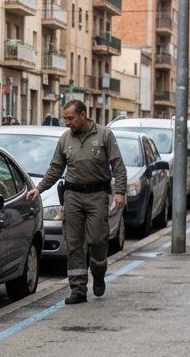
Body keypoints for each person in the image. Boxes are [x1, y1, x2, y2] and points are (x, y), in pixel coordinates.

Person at [24, 99, 127, 305]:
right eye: (65, 118)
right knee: (74, 244)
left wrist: (120, 192)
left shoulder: (104, 135)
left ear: (83, 115)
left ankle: (98, 273)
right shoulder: (65, 139)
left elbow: (118, 165)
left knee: (98, 240)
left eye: (70, 118)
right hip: (73, 197)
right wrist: (39, 188)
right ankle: (78, 289)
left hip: (97, 195)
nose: (67, 122)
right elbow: (55, 168)